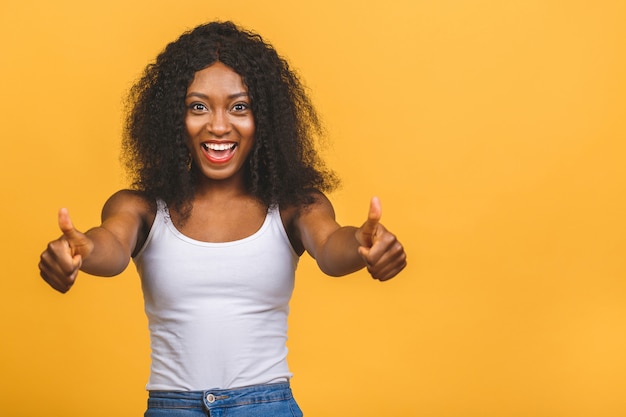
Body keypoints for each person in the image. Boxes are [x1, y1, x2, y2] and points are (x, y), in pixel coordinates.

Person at [39, 21, 407, 417]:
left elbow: (332, 247)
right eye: (198, 106)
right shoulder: (140, 207)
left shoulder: (293, 206)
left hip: (267, 407)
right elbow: (109, 248)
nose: (217, 125)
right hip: (171, 408)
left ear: (263, 119)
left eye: (239, 106)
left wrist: (363, 245)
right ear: (172, 119)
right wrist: (81, 250)